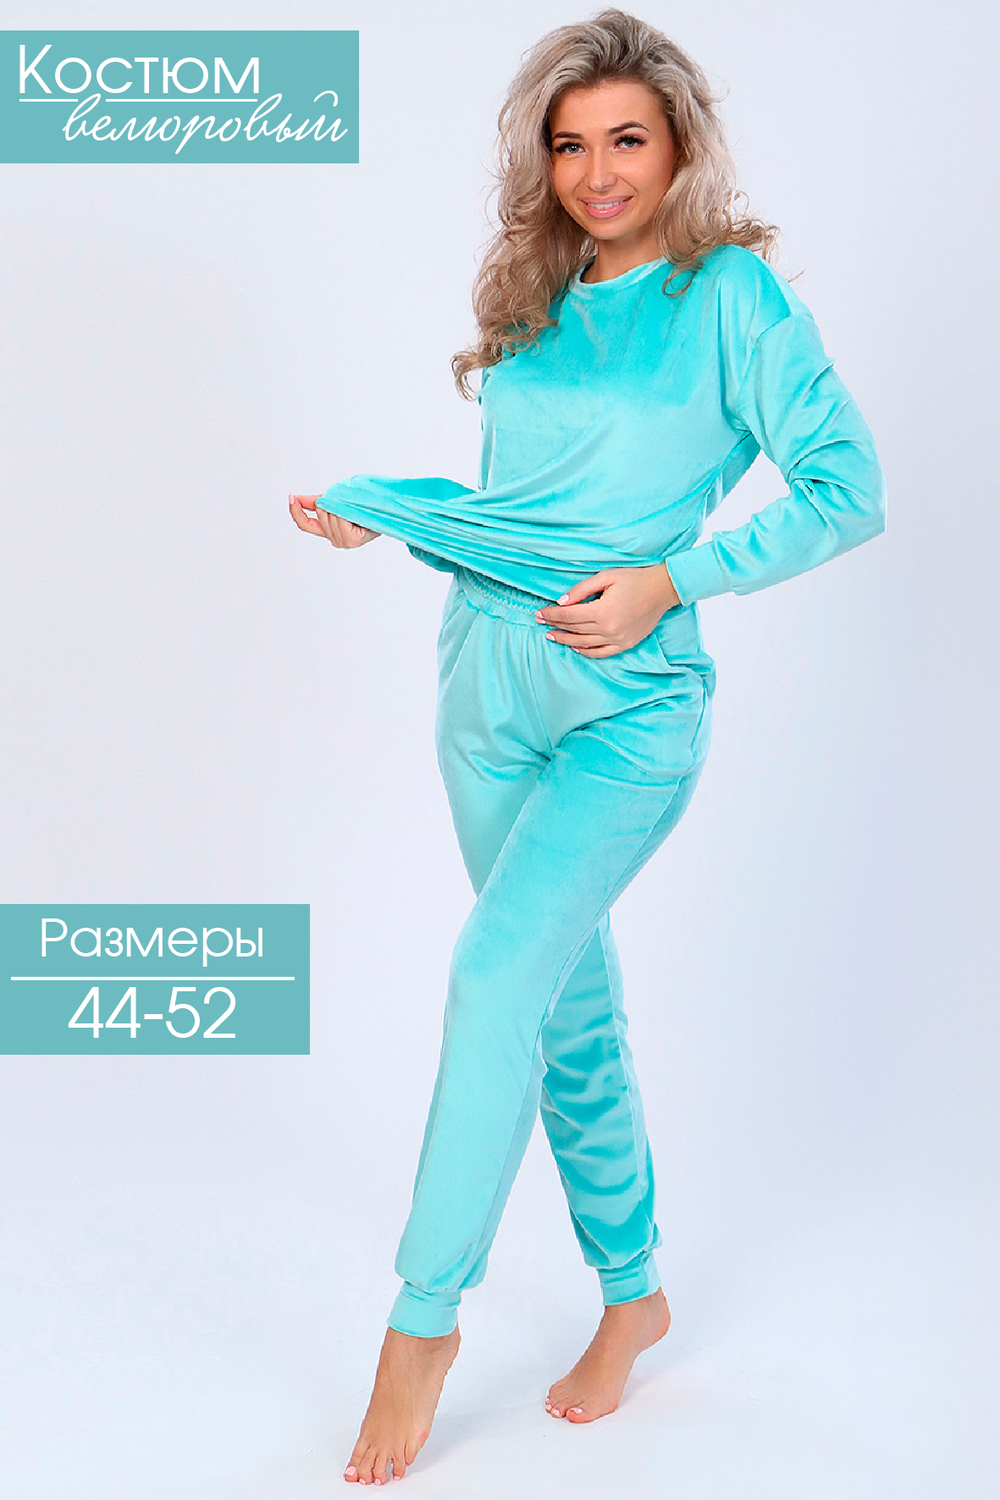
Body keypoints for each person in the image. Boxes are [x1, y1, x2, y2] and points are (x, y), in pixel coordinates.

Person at [289, 7, 885, 1485]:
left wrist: (674, 580)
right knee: (560, 1008)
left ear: (680, 148)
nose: (598, 173)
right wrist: (390, 512)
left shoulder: (730, 295)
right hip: (484, 687)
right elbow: (523, 513)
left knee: (494, 974)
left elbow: (846, 489)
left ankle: (420, 1327)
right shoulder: (538, 292)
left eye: (627, 140)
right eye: (570, 146)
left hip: (626, 707)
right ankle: (635, 1296)